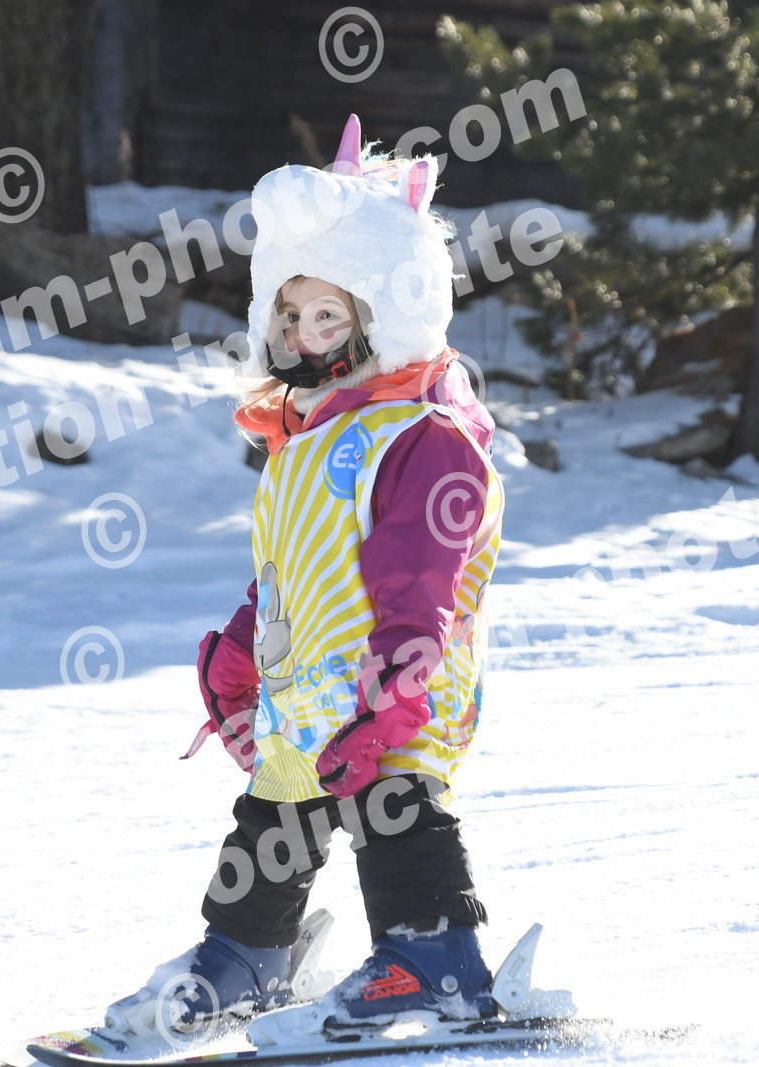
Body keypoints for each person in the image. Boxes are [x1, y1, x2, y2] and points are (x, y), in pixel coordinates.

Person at [112, 115, 504, 1037]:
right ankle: (245, 954)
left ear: (382, 314)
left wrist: (399, 664)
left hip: (397, 678)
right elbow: (291, 566)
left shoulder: (423, 435)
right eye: (290, 315)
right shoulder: (308, 437)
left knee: (392, 802)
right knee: (272, 815)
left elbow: (422, 564)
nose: (304, 333)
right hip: (309, 688)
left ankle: (434, 961)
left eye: (329, 314)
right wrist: (242, 649)